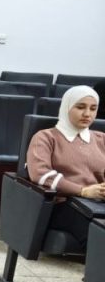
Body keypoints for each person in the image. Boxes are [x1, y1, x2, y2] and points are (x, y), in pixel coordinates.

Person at [26, 84, 105, 246]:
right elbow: (40, 174)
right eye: (80, 107)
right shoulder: (45, 137)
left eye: (93, 108)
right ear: (66, 107)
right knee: (99, 232)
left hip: (97, 203)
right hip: (62, 204)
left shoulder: (101, 139)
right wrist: (82, 191)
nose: (87, 114)